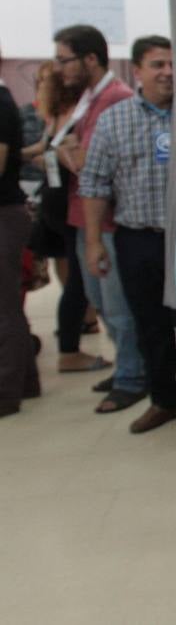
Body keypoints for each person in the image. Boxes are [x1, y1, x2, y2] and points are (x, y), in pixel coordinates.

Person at [80, 35, 176, 434]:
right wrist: (92, 242)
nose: (168, 72)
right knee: (150, 324)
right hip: (138, 239)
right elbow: (94, 184)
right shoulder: (115, 119)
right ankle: (162, 400)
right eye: (158, 64)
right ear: (136, 71)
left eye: (173, 64)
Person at [52, 23, 146, 411]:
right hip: (83, 215)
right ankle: (127, 366)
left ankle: (132, 376)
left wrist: (67, 153)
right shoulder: (91, 96)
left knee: (117, 305)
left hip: (105, 221)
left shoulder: (115, 99)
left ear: (90, 58)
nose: (59, 68)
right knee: (100, 300)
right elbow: (67, 151)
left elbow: (89, 165)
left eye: (64, 60)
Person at [22, 61, 104, 374]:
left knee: (75, 277)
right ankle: (70, 347)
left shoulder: (57, 111)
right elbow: (66, 157)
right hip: (66, 202)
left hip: (59, 200)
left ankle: (72, 339)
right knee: (79, 280)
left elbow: (46, 150)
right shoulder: (71, 110)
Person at [0, 48, 41, 417]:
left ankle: (6, 392)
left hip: (4, 213)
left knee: (4, 307)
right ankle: (24, 381)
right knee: (8, 303)